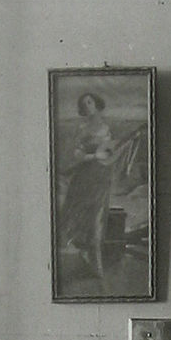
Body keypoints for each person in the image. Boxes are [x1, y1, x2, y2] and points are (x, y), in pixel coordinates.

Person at [58, 91, 117, 280]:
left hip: (101, 176)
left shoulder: (106, 127)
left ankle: (96, 263)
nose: (87, 106)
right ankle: (84, 253)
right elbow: (77, 154)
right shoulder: (82, 128)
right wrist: (94, 156)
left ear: (96, 104)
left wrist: (105, 157)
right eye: (84, 104)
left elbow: (110, 152)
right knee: (79, 215)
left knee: (97, 218)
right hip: (84, 177)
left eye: (90, 102)